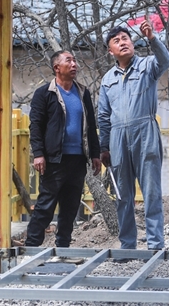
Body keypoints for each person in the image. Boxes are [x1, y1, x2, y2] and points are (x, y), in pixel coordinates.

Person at [98, 21, 169, 251]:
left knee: (151, 191)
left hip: (145, 132)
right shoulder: (107, 79)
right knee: (123, 194)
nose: (122, 43)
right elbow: (103, 116)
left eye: (125, 38)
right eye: (116, 41)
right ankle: (127, 246)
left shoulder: (147, 65)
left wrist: (152, 38)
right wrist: (104, 147)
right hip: (117, 138)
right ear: (110, 51)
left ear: (132, 43)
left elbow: (165, 60)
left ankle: (155, 245)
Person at [24, 50, 102, 250]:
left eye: (75, 61)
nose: (74, 64)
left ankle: (63, 248)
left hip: (78, 159)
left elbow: (91, 125)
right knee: (45, 205)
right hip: (54, 159)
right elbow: (36, 126)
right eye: (69, 61)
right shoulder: (44, 93)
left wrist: (95, 154)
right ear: (57, 67)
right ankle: (31, 248)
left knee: (70, 207)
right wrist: (38, 154)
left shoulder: (82, 92)